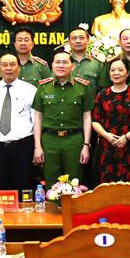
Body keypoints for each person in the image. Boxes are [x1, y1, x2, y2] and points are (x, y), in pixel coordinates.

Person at [32, 51, 94, 187]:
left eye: (65, 62)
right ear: (52, 65)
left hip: (74, 141)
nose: (61, 65)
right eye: (57, 62)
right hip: (49, 141)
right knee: (51, 184)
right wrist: (38, 146)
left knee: (74, 183)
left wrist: (86, 145)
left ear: (72, 66)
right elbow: (37, 117)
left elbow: (87, 117)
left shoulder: (83, 87)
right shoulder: (43, 87)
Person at [0, 54, 37, 191]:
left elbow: (36, 120)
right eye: (4, 65)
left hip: (23, 146)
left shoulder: (30, 90)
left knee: (24, 188)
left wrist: (37, 148)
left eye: (12, 64)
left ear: (19, 67)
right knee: (0, 189)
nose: (9, 68)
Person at [92, 59, 130, 184]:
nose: (116, 73)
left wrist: (126, 137)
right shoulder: (102, 95)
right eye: (113, 70)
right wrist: (106, 135)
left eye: (120, 70)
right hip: (107, 146)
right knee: (107, 186)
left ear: (127, 73)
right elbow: (95, 120)